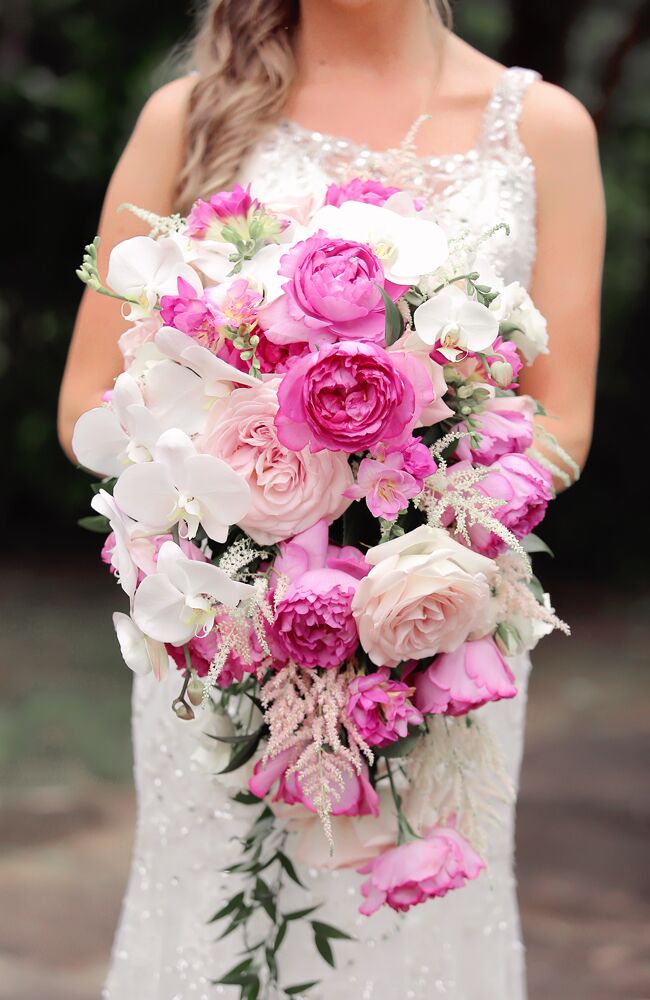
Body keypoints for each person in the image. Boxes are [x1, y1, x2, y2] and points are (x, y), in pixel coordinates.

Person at [58, 2, 604, 997]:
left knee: (418, 931)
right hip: (231, 625)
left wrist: (423, 511)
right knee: (214, 920)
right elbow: (88, 396)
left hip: (432, 625)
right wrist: (256, 513)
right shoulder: (188, 117)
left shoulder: (540, 129)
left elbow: (560, 411)